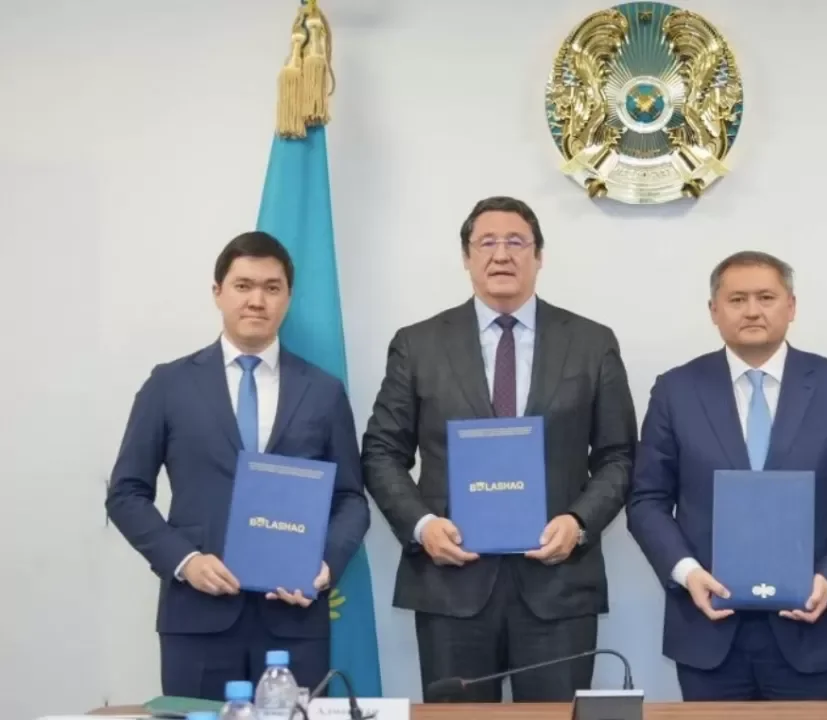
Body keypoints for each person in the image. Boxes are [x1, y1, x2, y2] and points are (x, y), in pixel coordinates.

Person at [361, 196, 638, 703]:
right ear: (466, 257)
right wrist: (423, 527)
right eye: (486, 242)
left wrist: (578, 523)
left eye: (516, 242)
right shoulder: (418, 344)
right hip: (451, 584)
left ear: (539, 256)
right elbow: (381, 452)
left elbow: (618, 455)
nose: (502, 254)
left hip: (558, 588)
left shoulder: (591, 342)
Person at [105, 231, 371, 700]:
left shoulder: (323, 391)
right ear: (218, 292)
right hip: (197, 616)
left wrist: (325, 565)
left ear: (288, 297)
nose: (256, 300)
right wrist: (185, 561)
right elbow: (126, 493)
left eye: (271, 288)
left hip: (295, 618)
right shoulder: (168, 384)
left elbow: (351, 499)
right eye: (243, 285)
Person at [626, 251, 827, 701]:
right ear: (714, 310)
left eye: (766, 297)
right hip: (707, 628)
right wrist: (687, 573)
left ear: (791, 306)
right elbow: (646, 500)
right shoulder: (675, 389)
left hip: (811, 628)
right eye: (737, 299)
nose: (752, 310)